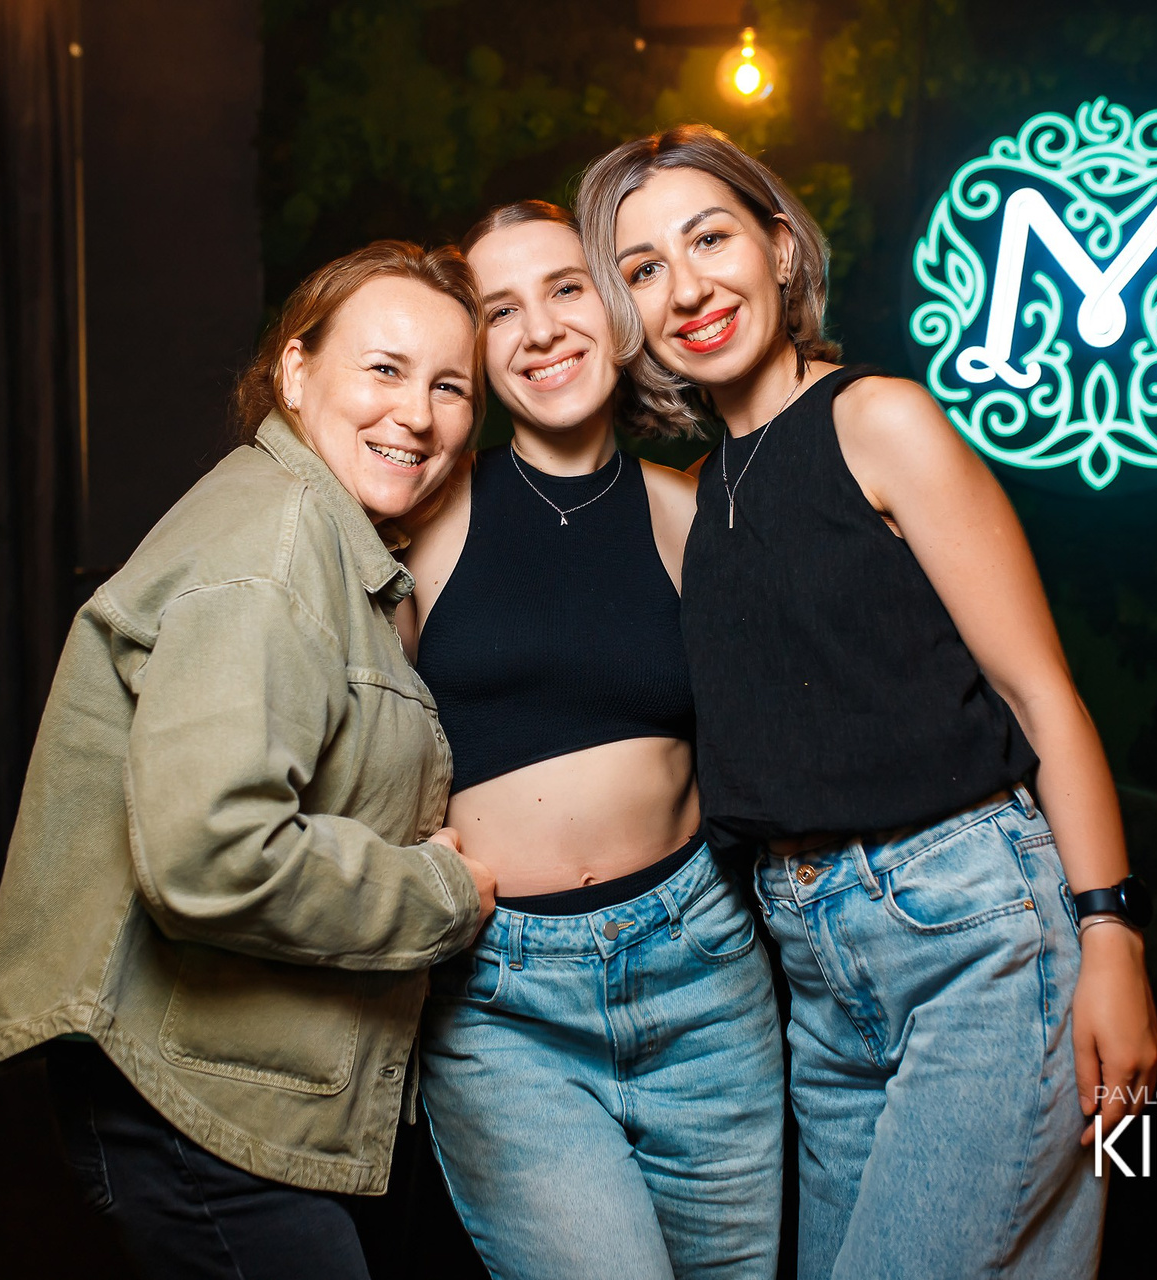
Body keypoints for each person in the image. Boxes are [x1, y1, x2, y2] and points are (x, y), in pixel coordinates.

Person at [577, 125, 1157, 1280]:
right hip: (816, 974)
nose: (686, 287)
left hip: (975, 933)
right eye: (643, 267)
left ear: (781, 249)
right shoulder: (697, 495)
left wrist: (1112, 935)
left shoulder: (877, 419)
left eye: (710, 239)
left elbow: (1038, 692)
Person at [0, 241, 501, 1278]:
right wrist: (441, 895)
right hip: (192, 1102)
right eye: (384, 368)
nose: (417, 413)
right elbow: (214, 853)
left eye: (450, 387)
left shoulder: (322, 532)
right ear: (295, 370)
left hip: (231, 1083)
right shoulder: (277, 542)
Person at [399, 200, 784, 1280]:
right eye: (499, 310)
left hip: (703, 978)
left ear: (616, 308)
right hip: (502, 1000)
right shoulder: (425, 514)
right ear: (474, 350)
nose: (541, 330)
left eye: (566, 288)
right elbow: (356, 734)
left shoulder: (691, 510)